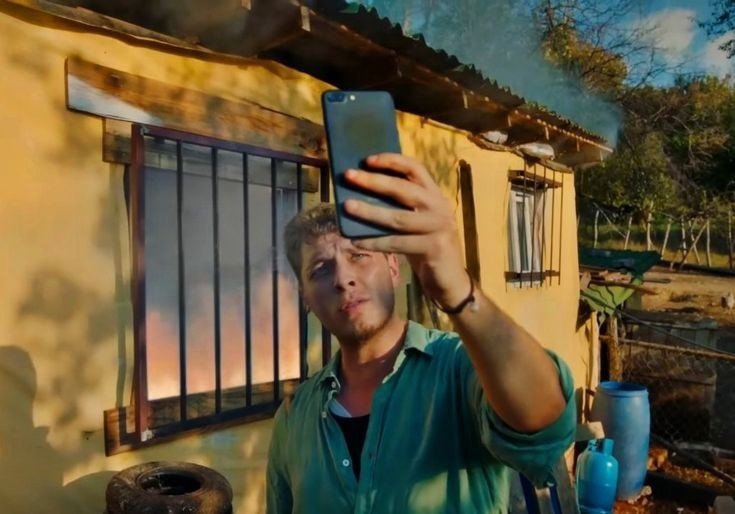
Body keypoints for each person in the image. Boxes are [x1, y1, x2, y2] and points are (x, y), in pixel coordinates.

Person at [267, 153, 576, 513]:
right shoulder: (294, 417)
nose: (342, 278)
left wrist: (458, 289)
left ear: (393, 267)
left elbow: (545, 424)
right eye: (321, 269)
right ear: (305, 297)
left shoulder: (460, 366)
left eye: (359, 255)